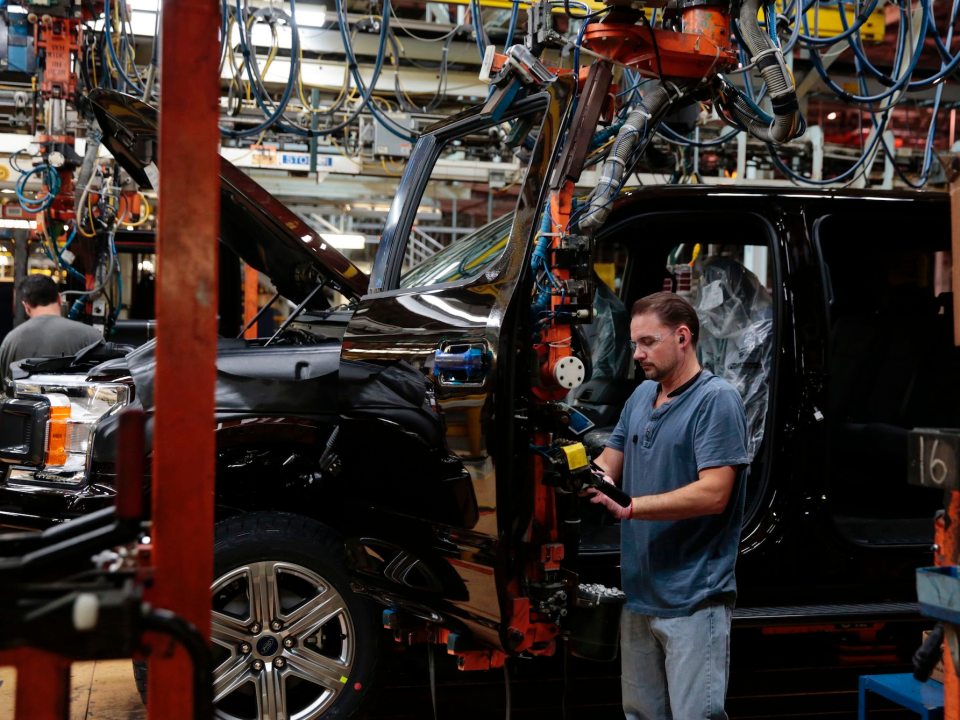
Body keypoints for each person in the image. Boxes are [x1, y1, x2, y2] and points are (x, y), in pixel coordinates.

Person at [589, 291, 748, 720]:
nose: (637, 354)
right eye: (634, 343)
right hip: (640, 593)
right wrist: (596, 477)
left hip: (693, 597)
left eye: (648, 342)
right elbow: (609, 461)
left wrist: (633, 506)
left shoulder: (716, 401)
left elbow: (714, 493)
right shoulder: (641, 397)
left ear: (682, 337)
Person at [0, 275, 102, 392]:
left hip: (24, 409)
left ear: (26, 306)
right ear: (59, 299)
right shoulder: (91, 336)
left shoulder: (11, 340)